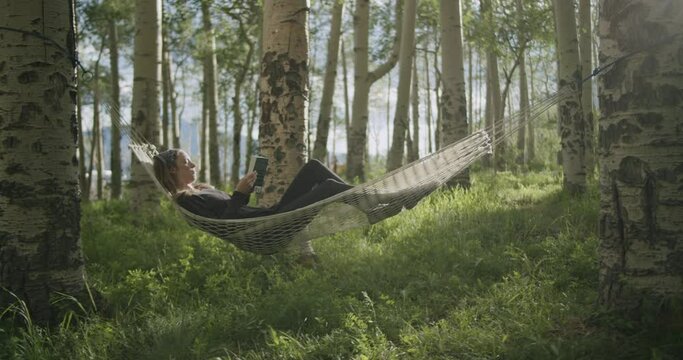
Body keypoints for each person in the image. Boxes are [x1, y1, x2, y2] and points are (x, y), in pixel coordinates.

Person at [152, 149, 357, 220]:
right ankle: (368, 199)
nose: (193, 165)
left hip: (271, 215)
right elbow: (226, 226)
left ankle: (364, 200)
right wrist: (239, 194)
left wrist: (244, 191)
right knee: (329, 187)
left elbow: (235, 212)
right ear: (172, 170)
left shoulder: (199, 191)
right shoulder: (187, 201)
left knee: (313, 167)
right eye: (186, 163)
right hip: (272, 224)